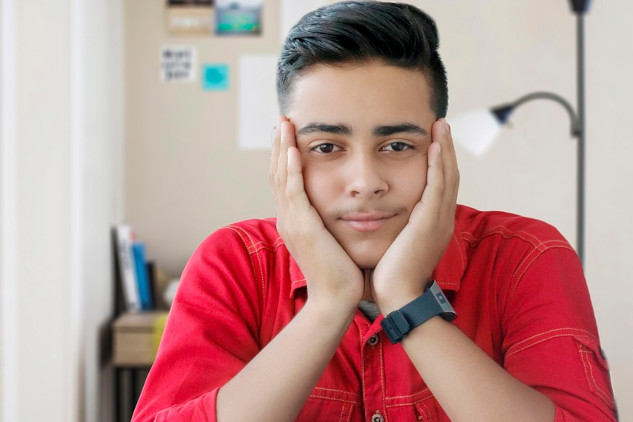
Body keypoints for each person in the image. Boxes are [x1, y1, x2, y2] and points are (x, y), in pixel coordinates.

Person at [131, 2, 617, 421]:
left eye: (398, 144)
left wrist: (407, 300)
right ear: (286, 154)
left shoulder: (525, 257)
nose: (365, 182)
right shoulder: (234, 262)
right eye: (326, 146)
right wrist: (328, 304)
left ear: (440, 149)